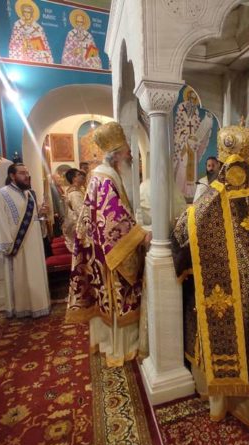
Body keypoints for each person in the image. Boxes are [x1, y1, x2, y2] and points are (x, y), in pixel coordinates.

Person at [172, 124, 249, 439]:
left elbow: (184, 232)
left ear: (224, 160)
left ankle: (226, 403)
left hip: (229, 290)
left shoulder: (214, 197)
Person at [67, 122, 149, 367]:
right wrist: (139, 235)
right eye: (127, 149)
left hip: (99, 249)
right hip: (110, 253)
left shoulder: (100, 175)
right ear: (116, 153)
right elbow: (113, 219)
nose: (130, 154)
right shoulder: (105, 178)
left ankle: (107, 344)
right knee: (118, 295)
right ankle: (120, 348)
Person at [0, 163, 51, 318]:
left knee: (35, 275)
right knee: (20, 277)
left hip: (34, 245)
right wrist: (7, 244)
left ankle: (40, 305)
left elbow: (33, 221)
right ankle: (23, 309)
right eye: (22, 173)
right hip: (17, 246)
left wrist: (41, 215)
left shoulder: (29, 195)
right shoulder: (1, 195)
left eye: (27, 173)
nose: (27, 176)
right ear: (12, 176)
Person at [63, 168, 86, 251]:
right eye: (79, 175)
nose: (82, 176)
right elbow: (80, 211)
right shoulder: (74, 193)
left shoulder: (77, 190)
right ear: (74, 179)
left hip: (77, 224)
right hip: (77, 227)